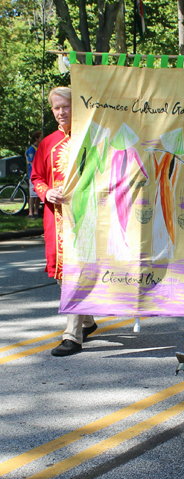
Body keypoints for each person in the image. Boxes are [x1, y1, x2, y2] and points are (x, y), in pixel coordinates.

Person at [31, 86, 97, 356]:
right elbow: (37, 178)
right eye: (56, 108)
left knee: (76, 272)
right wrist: (47, 192)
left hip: (86, 217)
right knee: (63, 274)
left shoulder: (91, 139)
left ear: (76, 106)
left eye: (65, 106)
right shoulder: (47, 143)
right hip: (55, 219)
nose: (60, 112)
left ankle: (73, 335)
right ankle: (88, 321)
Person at [26, 130, 43, 219]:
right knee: (32, 195)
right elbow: (31, 161)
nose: (42, 138)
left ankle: (37, 211)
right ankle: (30, 212)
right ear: (36, 138)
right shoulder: (32, 149)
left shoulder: (40, 147)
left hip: (40, 175)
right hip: (33, 175)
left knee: (38, 194)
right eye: (40, 137)